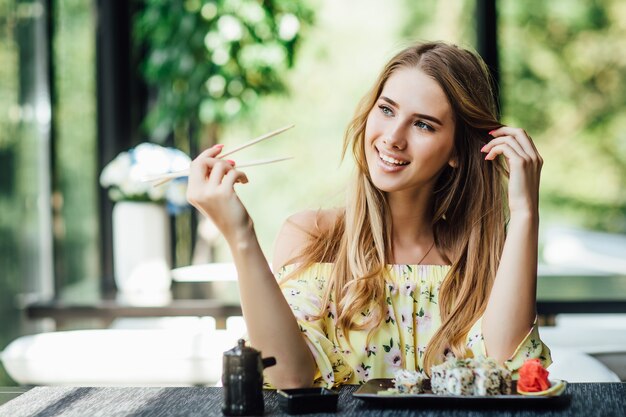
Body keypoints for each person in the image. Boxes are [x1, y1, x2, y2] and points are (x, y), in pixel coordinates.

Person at [186, 41, 552, 389]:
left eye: (423, 124)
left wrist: (524, 213)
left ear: (457, 151)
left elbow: (508, 370)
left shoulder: (483, 258)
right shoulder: (314, 236)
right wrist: (240, 235)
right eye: (387, 109)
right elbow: (289, 376)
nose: (393, 136)